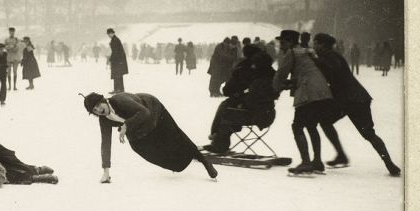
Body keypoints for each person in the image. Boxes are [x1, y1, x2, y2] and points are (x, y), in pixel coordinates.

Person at [312, 33, 401, 176]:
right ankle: (389, 164)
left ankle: (343, 155)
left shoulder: (331, 57)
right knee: (368, 133)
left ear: (321, 45)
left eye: (315, 43)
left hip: (349, 100)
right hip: (357, 99)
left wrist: (314, 60)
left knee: (326, 122)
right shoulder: (333, 56)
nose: (313, 46)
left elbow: (332, 70)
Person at [82, 92, 217, 183]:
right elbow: (105, 143)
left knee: (176, 136)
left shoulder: (120, 100)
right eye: (95, 110)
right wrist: (106, 170)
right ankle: (177, 162)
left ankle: (203, 160)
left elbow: (144, 112)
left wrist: (126, 125)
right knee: (138, 147)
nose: (99, 110)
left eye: (99, 105)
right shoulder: (104, 119)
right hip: (136, 124)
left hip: (153, 110)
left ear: (103, 100)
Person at [272, 30, 337, 175]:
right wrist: (291, 83)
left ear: (289, 42)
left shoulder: (292, 53)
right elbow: (307, 71)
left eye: (282, 42)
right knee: (311, 126)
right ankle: (317, 161)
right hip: (322, 91)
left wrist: (275, 89)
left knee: (297, 126)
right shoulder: (307, 51)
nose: (280, 46)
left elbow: (280, 74)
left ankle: (306, 162)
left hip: (308, 92)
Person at [204, 52, 279, 153]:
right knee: (227, 106)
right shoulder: (272, 78)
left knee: (227, 113)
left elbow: (251, 102)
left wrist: (240, 99)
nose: (252, 66)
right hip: (268, 114)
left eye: (255, 64)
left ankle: (219, 144)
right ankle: (217, 139)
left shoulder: (259, 81)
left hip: (257, 116)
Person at [106, 28, 128, 93]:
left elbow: (115, 52)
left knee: (117, 75)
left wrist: (111, 59)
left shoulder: (115, 40)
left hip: (118, 60)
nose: (109, 35)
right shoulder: (114, 39)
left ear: (112, 33)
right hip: (118, 60)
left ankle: (118, 89)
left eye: (109, 34)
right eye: (108, 34)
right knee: (118, 75)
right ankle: (118, 89)